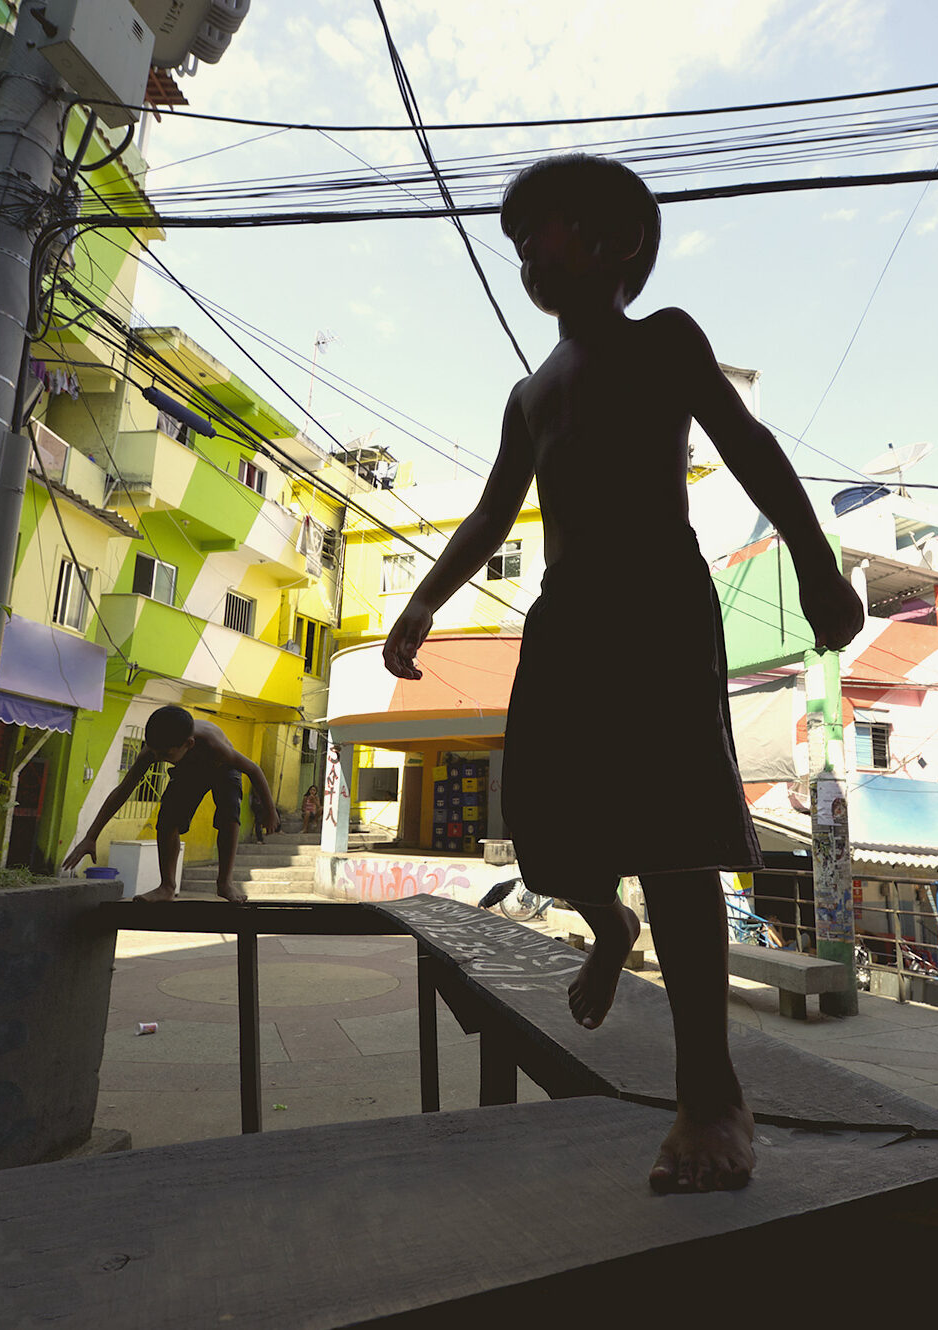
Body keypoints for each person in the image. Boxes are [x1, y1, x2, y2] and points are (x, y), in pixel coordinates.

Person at [382, 154, 863, 1193]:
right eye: (516, 237)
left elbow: (750, 445)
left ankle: (709, 1095)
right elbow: (490, 511)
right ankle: (608, 923)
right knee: (544, 825)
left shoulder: (666, 340)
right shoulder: (530, 391)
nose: (524, 249)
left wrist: (817, 565)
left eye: (542, 229)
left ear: (611, 245)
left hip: (655, 606)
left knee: (673, 841)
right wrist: (423, 597)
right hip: (566, 619)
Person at [63, 705, 279, 903]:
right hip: (189, 771)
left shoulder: (214, 745)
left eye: (165, 754)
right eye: (155, 752)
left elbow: (254, 770)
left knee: (229, 814)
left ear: (188, 744)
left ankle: (225, 883)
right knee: (167, 820)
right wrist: (91, 837)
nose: (159, 758)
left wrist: (270, 811)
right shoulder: (153, 751)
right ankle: (167, 886)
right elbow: (122, 792)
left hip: (222, 768)